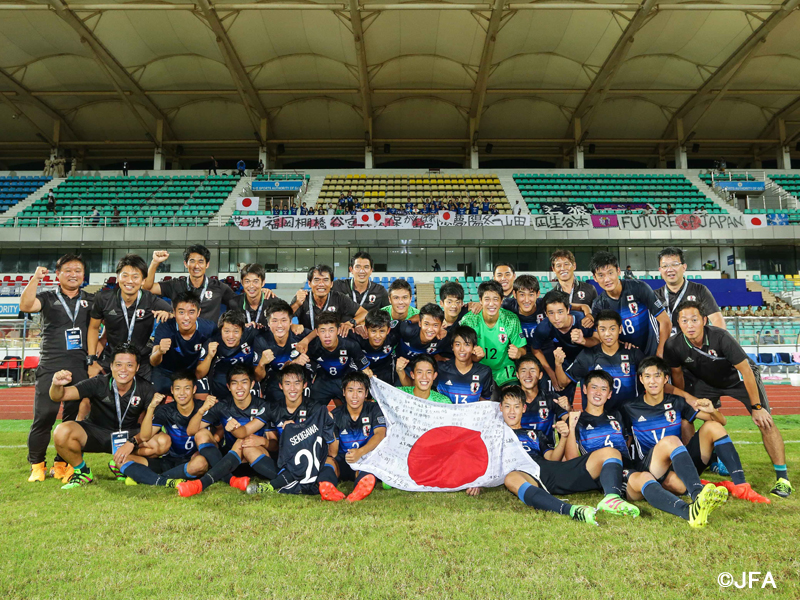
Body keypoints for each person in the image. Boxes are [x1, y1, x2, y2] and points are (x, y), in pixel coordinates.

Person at [569, 370, 732, 525]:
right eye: (594, 387)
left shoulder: (618, 415)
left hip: (633, 465)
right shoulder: (577, 421)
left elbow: (629, 440)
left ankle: (698, 494)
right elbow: (572, 461)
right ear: (584, 389)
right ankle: (689, 512)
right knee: (646, 478)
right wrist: (569, 428)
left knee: (672, 441)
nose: (598, 392)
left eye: (603, 389)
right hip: (612, 475)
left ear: (610, 394)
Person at [665, 301, 792, 498]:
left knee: (764, 420)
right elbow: (678, 376)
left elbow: (746, 371)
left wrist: (757, 407)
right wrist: (686, 402)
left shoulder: (720, 337)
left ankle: (782, 479)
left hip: (737, 380)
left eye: (694, 320)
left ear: (704, 320)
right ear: (678, 324)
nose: (689, 325)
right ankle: (695, 468)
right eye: (684, 321)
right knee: (685, 419)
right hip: (705, 382)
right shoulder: (674, 345)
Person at [620, 357, 735, 526]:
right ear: (641, 379)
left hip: (671, 467)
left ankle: (696, 492)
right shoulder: (629, 407)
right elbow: (625, 441)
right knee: (671, 441)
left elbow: (720, 422)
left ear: (666, 379)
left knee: (680, 487)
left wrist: (713, 411)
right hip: (649, 465)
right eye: (648, 376)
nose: (653, 381)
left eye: (657, 376)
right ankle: (697, 493)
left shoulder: (676, 402)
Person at [21, 256, 95, 483]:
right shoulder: (47, 297)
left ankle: (61, 464)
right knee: (44, 417)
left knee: (72, 421)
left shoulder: (91, 300)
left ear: (84, 275)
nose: (73, 274)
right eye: (68, 270)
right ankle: (37, 465)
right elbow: (25, 305)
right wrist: (35, 278)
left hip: (79, 366)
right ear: (58, 274)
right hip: (50, 365)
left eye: (78, 270)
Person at [50, 344, 163, 489]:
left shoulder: (146, 388)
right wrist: (56, 385)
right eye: (118, 365)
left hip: (128, 435)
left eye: (129, 365)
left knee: (162, 441)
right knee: (62, 431)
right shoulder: (98, 383)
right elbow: (60, 395)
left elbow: (153, 426)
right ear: (111, 366)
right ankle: (82, 472)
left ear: (137, 367)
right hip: (97, 433)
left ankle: (123, 464)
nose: (123, 370)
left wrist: (132, 442)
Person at [499, 387, 601, 526]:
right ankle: (571, 510)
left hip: (544, 469)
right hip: (522, 473)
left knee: (604, 455)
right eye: (507, 406)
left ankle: (615, 494)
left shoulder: (534, 434)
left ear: (523, 408)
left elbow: (552, 458)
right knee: (511, 479)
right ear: (500, 408)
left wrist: (564, 437)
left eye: (516, 406)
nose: (512, 411)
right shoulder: (496, 435)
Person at [177, 366, 278, 497]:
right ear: (228, 386)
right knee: (201, 434)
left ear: (252, 384)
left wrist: (262, 441)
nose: (240, 387)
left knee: (243, 442)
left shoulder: (263, 406)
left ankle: (201, 484)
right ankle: (230, 478)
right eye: (235, 383)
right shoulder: (223, 406)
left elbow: (274, 446)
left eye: (244, 382)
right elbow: (191, 431)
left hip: (254, 459)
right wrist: (201, 410)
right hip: (229, 461)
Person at [244, 365, 341, 498]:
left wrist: (299, 429)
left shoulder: (315, 409)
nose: (292, 388)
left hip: (311, 462)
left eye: (297, 383)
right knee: (248, 449)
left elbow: (333, 452)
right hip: (284, 462)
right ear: (281, 386)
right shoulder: (273, 408)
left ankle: (278, 484)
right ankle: (295, 483)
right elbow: (271, 445)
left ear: (304, 385)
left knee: (331, 462)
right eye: (288, 383)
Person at [87, 254, 173, 382]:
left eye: (135, 276)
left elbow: (177, 315)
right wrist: (91, 359)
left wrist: (169, 314)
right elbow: (94, 328)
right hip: (112, 359)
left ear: (143, 280)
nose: (129, 281)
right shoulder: (103, 298)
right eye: (125, 275)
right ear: (118, 277)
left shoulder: (150, 300)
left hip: (141, 362)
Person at [119, 371, 210, 487]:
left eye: (187, 388)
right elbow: (145, 436)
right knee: (122, 460)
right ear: (172, 390)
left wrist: (204, 449)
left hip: (193, 460)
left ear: (194, 389)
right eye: (177, 388)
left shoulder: (203, 407)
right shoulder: (166, 410)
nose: (182, 393)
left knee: (200, 463)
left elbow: (219, 430)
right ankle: (164, 479)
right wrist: (151, 408)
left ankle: (147, 477)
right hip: (169, 460)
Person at [558, 309, 645, 413]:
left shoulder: (633, 353)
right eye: (602, 329)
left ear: (620, 329)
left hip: (631, 414)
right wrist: (558, 363)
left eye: (612, 329)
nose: (607, 334)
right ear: (597, 331)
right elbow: (563, 383)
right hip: (600, 420)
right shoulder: (587, 355)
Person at [589, 251, 671, 357]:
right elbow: (600, 337)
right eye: (601, 275)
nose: (607, 279)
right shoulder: (598, 304)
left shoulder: (640, 288)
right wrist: (620, 343)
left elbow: (665, 321)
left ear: (618, 271)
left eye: (610, 273)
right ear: (595, 278)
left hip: (652, 354)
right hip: (626, 358)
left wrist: (660, 352)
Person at [326, 371, 386, 502]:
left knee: (369, 466)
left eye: (359, 391)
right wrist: (329, 427)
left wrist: (360, 452)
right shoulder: (335, 414)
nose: (355, 396)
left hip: (366, 459)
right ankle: (327, 486)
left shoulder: (374, 409)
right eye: (350, 390)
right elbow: (333, 452)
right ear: (343, 392)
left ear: (366, 393)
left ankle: (360, 488)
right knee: (328, 461)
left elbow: (381, 434)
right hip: (344, 461)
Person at [530, 290, 596, 402]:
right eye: (551, 313)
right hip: (564, 359)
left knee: (590, 396)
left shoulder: (582, 321)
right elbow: (535, 348)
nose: (556, 318)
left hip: (588, 359)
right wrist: (551, 373)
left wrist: (583, 340)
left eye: (560, 312)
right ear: (546, 313)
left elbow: (598, 341)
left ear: (568, 310)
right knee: (562, 394)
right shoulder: (544, 327)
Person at [459, 280, 526, 390]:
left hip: (505, 370)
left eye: (495, 299)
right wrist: (474, 356)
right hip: (478, 367)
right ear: (480, 300)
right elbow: (462, 351)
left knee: (513, 398)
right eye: (487, 299)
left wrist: (518, 353)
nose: (491, 304)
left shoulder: (511, 319)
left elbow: (522, 349)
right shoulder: (469, 320)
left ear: (501, 300)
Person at [145, 245, 237, 324]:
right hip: (181, 338)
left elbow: (238, 304)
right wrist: (155, 262)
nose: (196, 266)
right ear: (185, 264)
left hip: (209, 340)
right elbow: (148, 288)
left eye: (201, 262)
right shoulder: (175, 285)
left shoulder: (219, 287)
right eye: (192, 261)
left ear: (207, 264)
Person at [295, 312, 372, 406]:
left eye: (331, 330)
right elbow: (292, 365)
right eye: (323, 331)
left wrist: (368, 373)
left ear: (338, 330)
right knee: (310, 409)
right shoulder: (311, 347)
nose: (327, 335)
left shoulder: (351, 345)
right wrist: (297, 361)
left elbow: (364, 368)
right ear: (317, 332)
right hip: (323, 382)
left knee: (356, 408)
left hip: (346, 380)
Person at [150, 291, 216, 395]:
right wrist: (160, 351)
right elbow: (153, 361)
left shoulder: (209, 328)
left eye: (191, 312)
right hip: (166, 372)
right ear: (174, 312)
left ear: (198, 313)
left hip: (191, 373)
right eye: (181, 312)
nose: (186, 317)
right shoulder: (165, 328)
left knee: (202, 397)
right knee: (156, 399)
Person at [195, 310, 269, 401]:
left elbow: (274, 331)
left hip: (245, 382)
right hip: (220, 383)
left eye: (236, 331)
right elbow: (199, 374)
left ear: (243, 330)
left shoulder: (252, 333)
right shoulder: (213, 342)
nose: (231, 336)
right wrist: (209, 356)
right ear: (220, 330)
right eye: (226, 331)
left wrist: (292, 326)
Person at [654, 247, 725, 331]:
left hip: (695, 343)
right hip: (665, 343)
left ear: (684, 267)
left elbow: (717, 320)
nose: (669, 269)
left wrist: (717, 341)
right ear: (660, 270)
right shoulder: (655, 295)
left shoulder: (699, 290)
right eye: (665, 266)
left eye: (675, 264)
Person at [259, 300, 312, 401]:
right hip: (274, 382)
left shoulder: (299, 334)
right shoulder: (262, 339)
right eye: (274, 321)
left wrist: (306, 340)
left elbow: (317, 331)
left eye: (284, 320)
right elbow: (258, 377)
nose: (279, 325)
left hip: (298, 382)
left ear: (291, 322)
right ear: (268, 323)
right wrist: (261, 363)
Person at [291, 264, 367, 333]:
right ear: (309, 283)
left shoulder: (339, 297)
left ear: (331, 284)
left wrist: (351, 323)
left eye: (325, 280)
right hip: (307, 340)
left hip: (332, 341)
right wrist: (297, 304)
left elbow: (364, 313)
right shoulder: (302, 297)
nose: (321, 284)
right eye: (316, 280)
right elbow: (283, 318)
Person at [515, 355, 569, 442]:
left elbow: (570, 422)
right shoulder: (510, 400)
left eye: (532, 371)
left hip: (547, 453)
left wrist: (568, 409)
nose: (528, 375)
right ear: (517, 375)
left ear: (540, 375)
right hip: (519, 453)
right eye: (523, 371)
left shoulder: (551, 398)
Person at [435, 326, 493, 404]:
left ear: (474, 348)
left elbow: (484, 402)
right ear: (452, 347)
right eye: (458, 344)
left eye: (467, 344)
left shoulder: (484, 372)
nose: (462, 349)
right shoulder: (440, 368)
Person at [352, 308, 399, 385]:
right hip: (361, 376)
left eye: (382, 331)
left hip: (386, 376)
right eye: (373, 331)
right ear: (366, 329)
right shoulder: (356, 337)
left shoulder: (393, 336)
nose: (377, 336)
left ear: (388, 330)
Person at [550, 250, 597, 315]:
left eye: (566, 264)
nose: (563, 268)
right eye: (558, 265)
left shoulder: (589, 289)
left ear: (574, 266)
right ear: (553, 269)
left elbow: (597, 315)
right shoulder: (551, 295)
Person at [236, 263, 278, 329]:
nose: (251, 286)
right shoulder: (234, 303)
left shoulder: (274, 303)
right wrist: (242, 327)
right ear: (242, 283)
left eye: (255, 281)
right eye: (247, 281)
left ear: (263, 282)